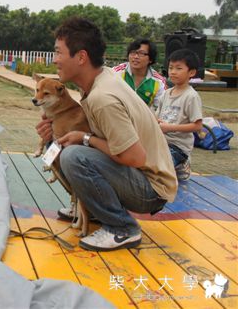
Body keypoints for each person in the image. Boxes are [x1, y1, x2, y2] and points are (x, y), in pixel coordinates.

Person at [36, 17, 176, 251]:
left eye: (59, 52)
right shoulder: (101, 79)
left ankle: (122, 228)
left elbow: (135, 157)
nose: (54, 59)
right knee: (57, 147)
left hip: (150, 189)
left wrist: (84, 138)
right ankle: (93, 209)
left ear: (81, 57)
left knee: (73, 156)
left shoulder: (103, 98)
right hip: (136, 177)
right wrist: (55, 131)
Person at [156, 49, 203, 181]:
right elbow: (156, 116)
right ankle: (175, 166)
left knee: (159, 169)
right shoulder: (166, 93)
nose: (173, 72)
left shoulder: (191, 96)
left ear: (191, 72)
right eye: (171, 67)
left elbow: (197, 126)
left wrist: (170, 128)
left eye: (178, 68)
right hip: (161, 141)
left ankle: (182, 163)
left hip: (178, 147)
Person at [112, 38, 166, 109]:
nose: (136, 57)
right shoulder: (116, 72)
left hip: (143, 115)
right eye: (133, 52)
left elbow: (161, 108)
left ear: (150, 59)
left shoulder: (159, 82)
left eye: (141, 53)